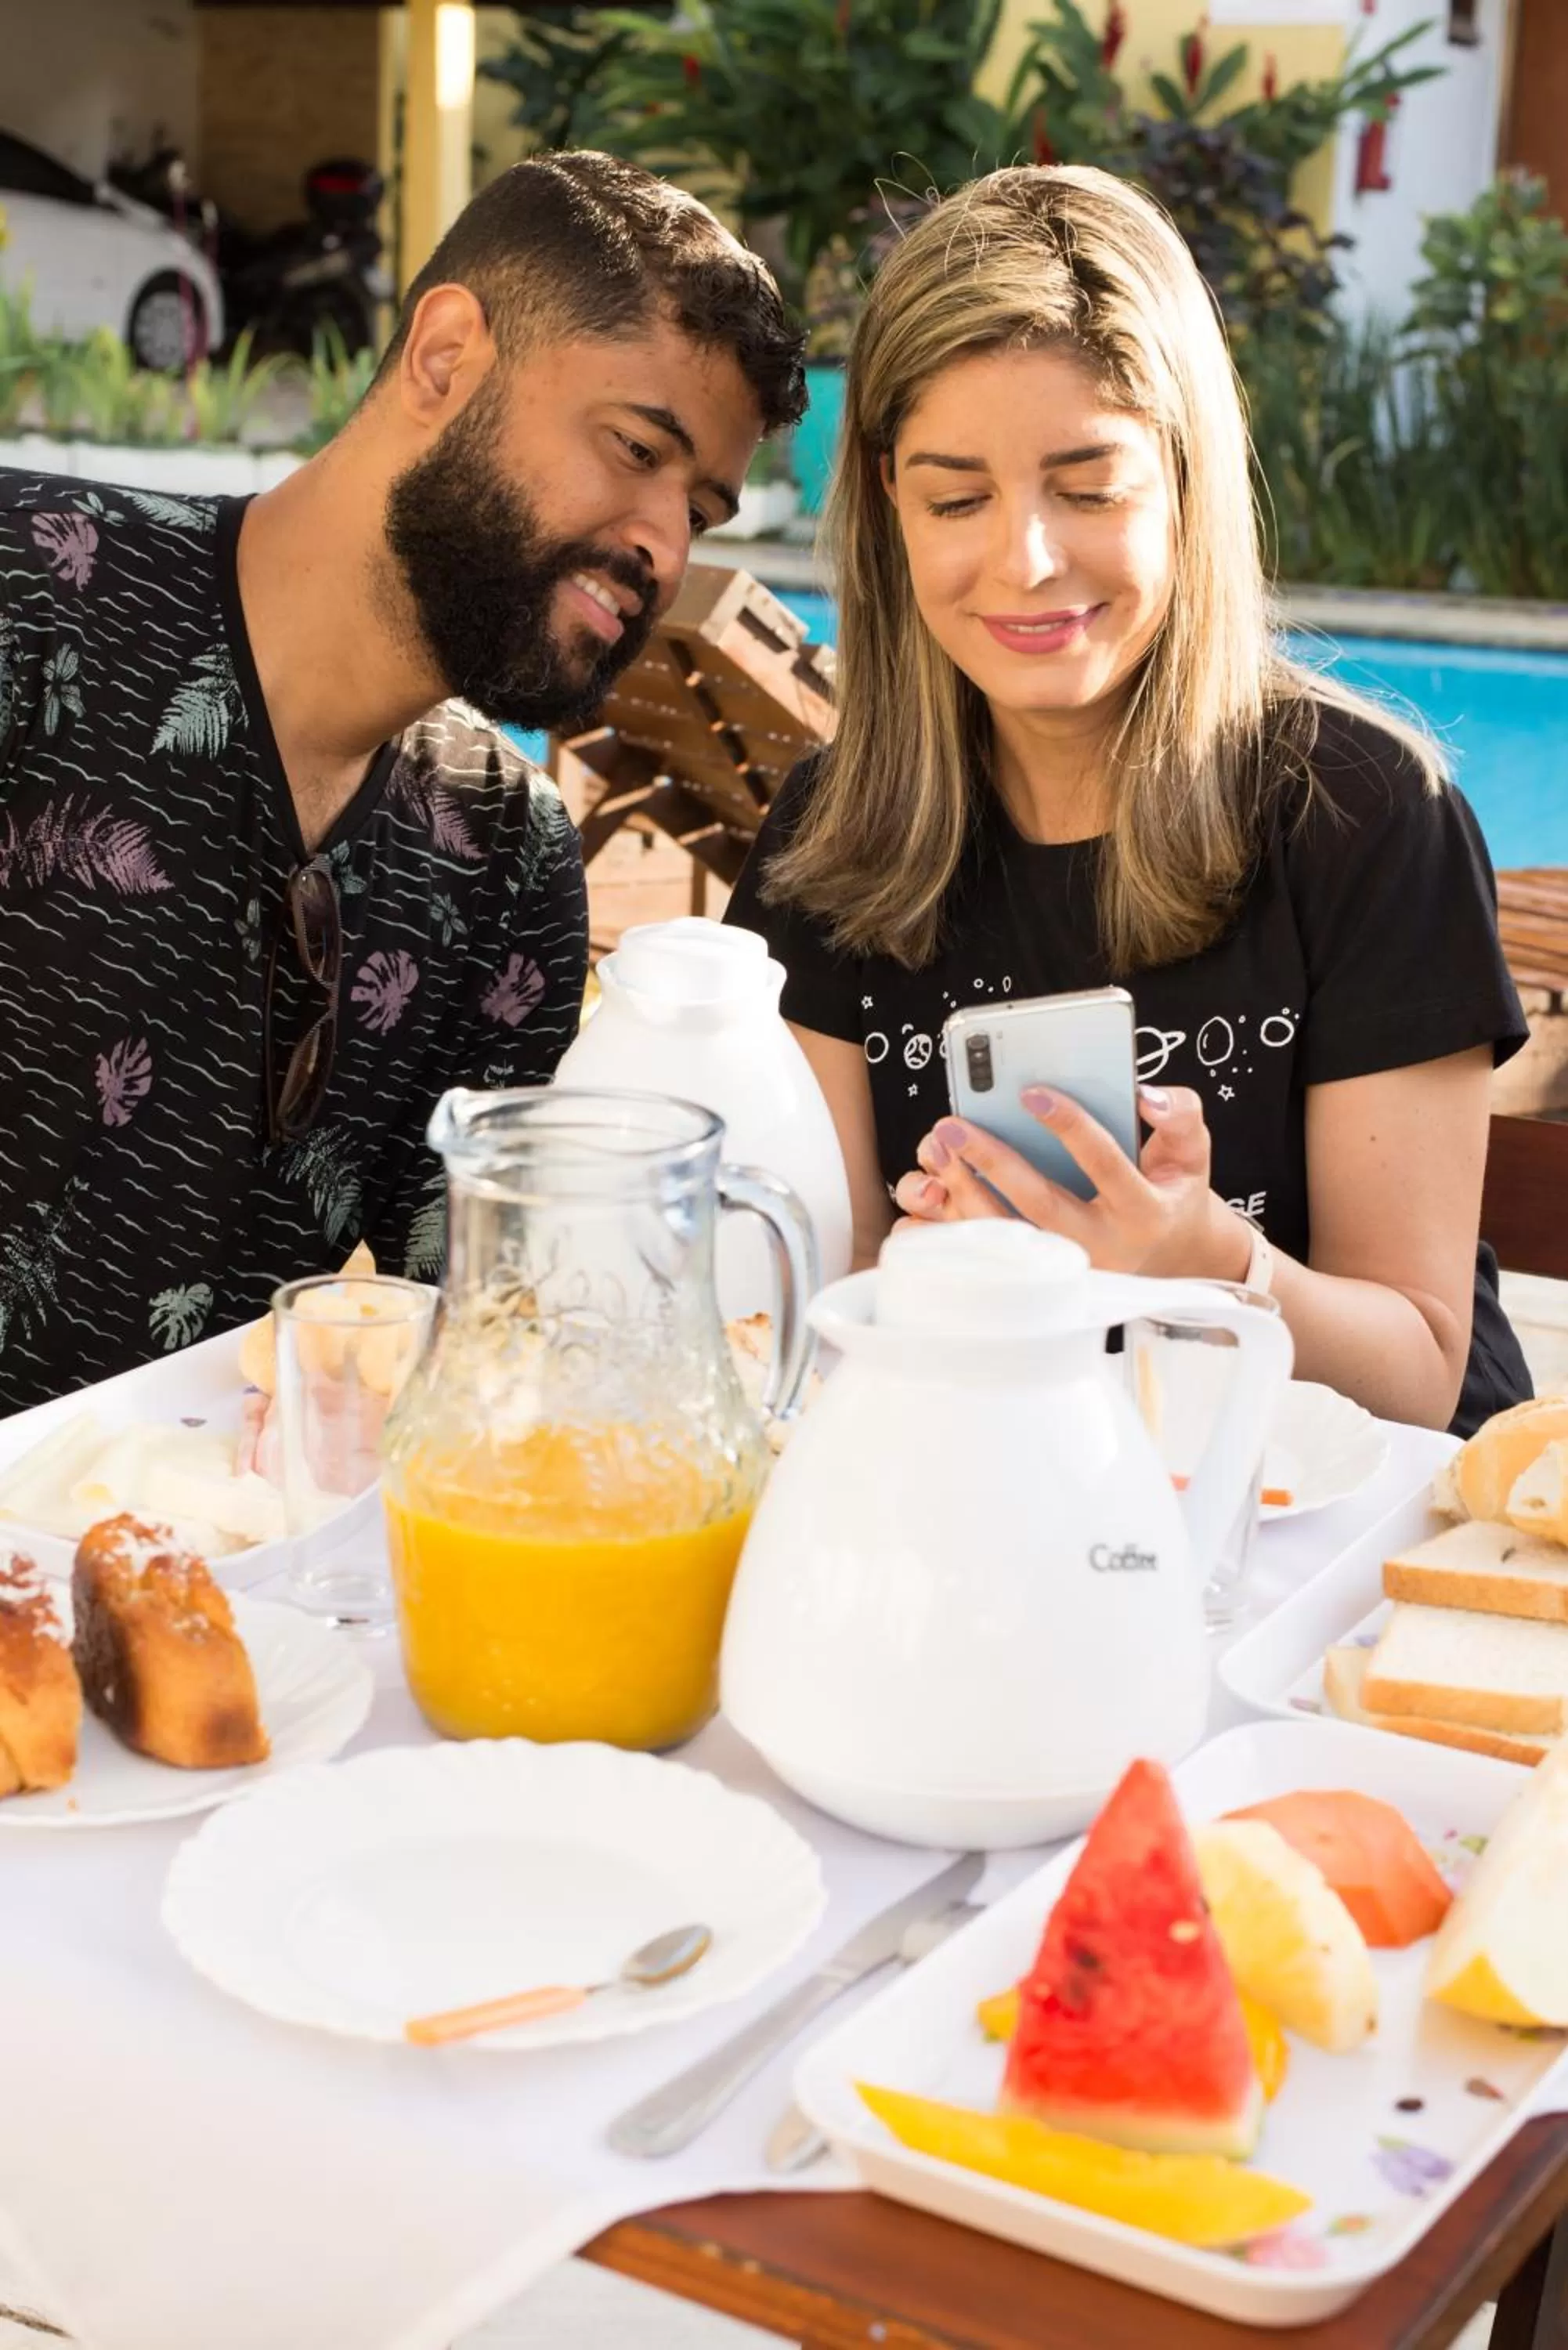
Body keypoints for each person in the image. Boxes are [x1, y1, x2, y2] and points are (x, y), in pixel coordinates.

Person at [727, 164, 1528, 1436]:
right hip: (1011, 1497)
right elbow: (812, 1312)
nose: (1025, 560)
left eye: (1088, 487)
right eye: (955, 498)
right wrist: (929, 1274)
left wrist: (1206, 1264)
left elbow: (1419, 1370)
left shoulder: (1366, 816)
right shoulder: (832, 843)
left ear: (1184, 476)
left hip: (1350, 1538)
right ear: (887, 501)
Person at [0, 153, 804, 1415]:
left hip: (213, 1574)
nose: (661, 543)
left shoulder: (503, 855)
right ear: (444, 357)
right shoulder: (31, 593)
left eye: (700, 509)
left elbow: (480, 1340)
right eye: (635, 447)